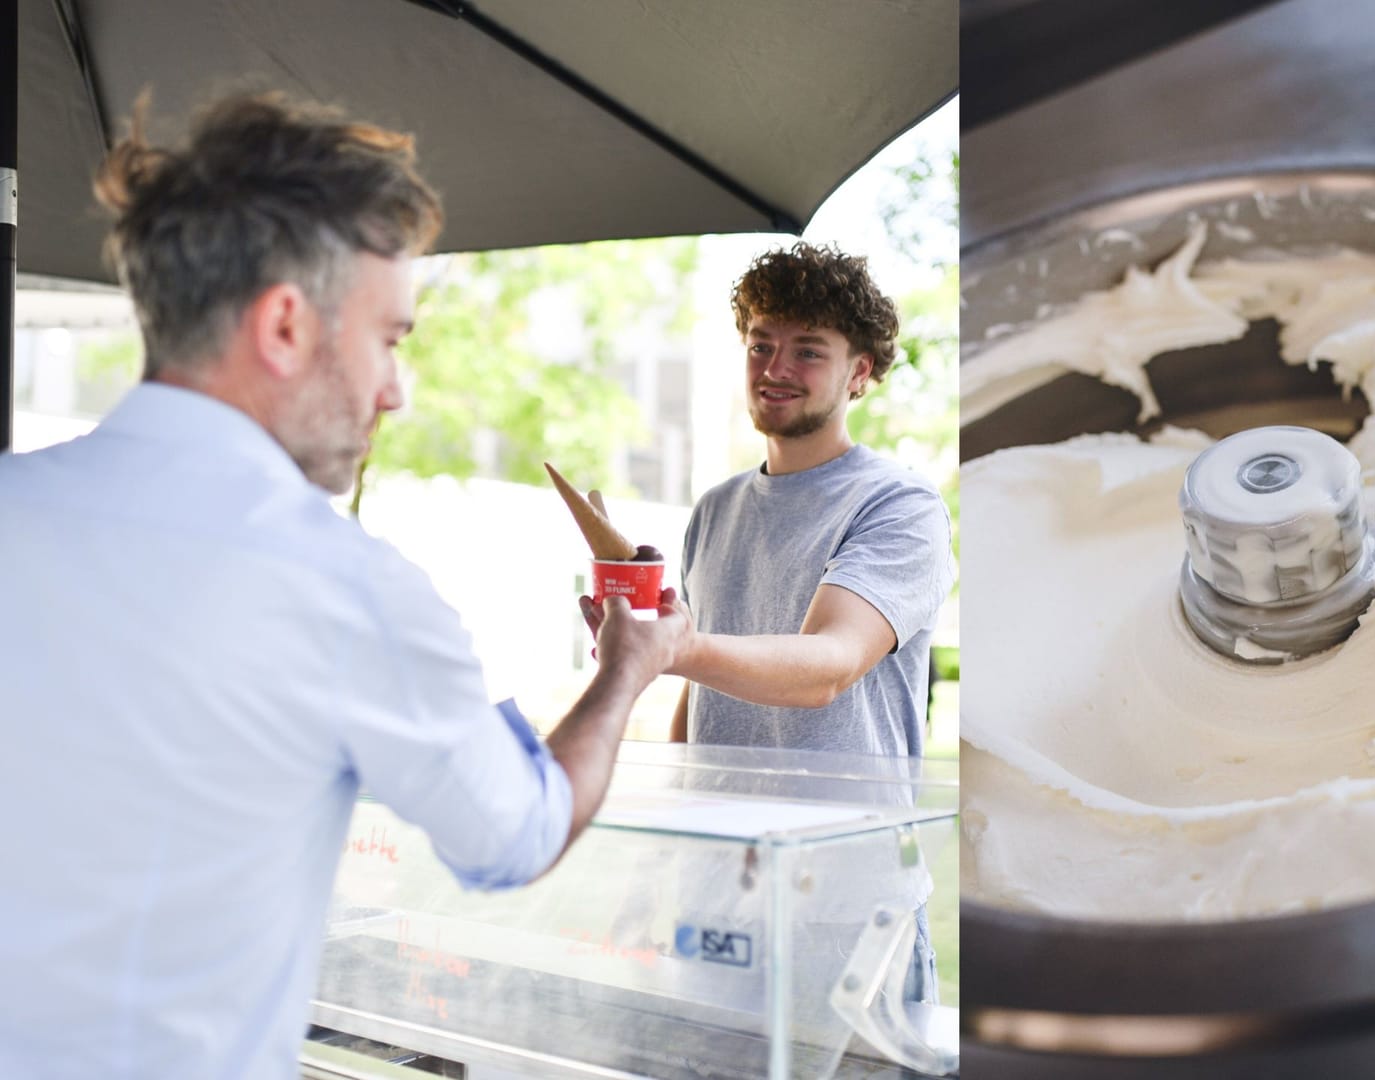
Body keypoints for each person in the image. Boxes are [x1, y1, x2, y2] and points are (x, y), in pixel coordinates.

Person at [0, 94, 688, 1079]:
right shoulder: (348, 589)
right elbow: (517, 835)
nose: (395, 391)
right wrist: (628, 667)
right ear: (284, 324)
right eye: (391, 340)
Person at [583, 243, 953, 1000]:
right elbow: (701, 701)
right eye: (761, 343)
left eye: (808, 350)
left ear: (861, 374)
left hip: (847, 908)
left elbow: (829, 665)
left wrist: (673, 648)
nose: (774, 366)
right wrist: (654, 866)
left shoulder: (898, 507)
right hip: (717, 897)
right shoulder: (716, 509)